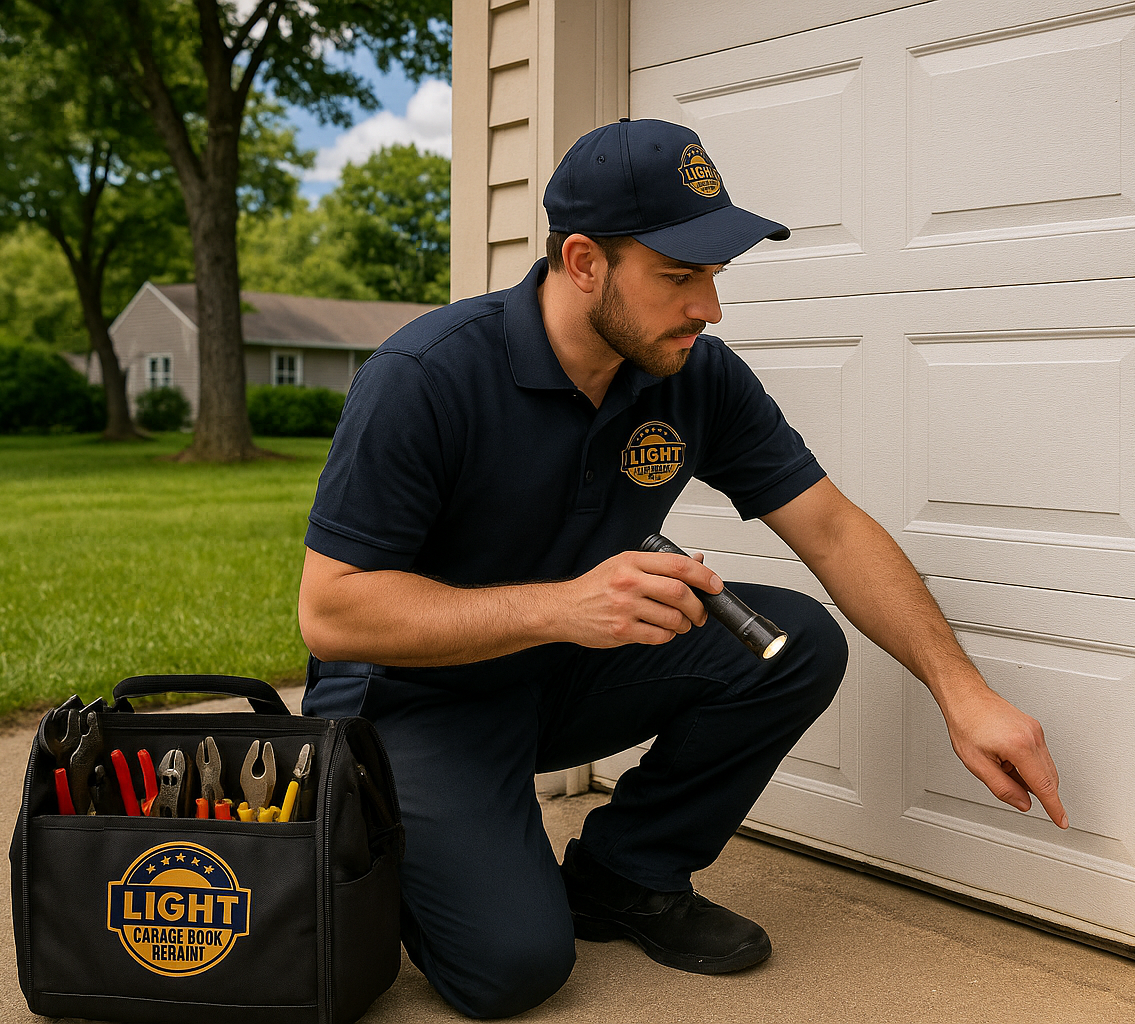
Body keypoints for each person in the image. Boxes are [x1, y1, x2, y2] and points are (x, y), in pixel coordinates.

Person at [296, 117, 1068, 1019]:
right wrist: (564, 607)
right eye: (678, 276)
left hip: (565, 671)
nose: (709, 306)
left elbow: (831, 530)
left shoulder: (692, 372)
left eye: (713, 275)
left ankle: (623, 875)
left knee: (793, 641)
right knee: (510, 970)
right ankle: (402, 844)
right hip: (415, 700)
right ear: (583, 261)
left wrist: (960, 691)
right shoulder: (424, 376)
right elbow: (334, 614)